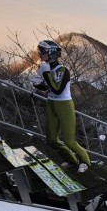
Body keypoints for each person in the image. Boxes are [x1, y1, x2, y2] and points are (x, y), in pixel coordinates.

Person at [32, 40, 91, 173]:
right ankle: (71, 159)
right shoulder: (45, 68)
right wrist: (38, 82)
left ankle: (85, 161)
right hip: (51, 102)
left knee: (69, 140)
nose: (40, 54)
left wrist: (46, 75)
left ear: (51, 53)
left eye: (43, 52)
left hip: (64, 104)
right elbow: (47, 87)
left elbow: (57, 89)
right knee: (52, 139)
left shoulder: (62, 70)